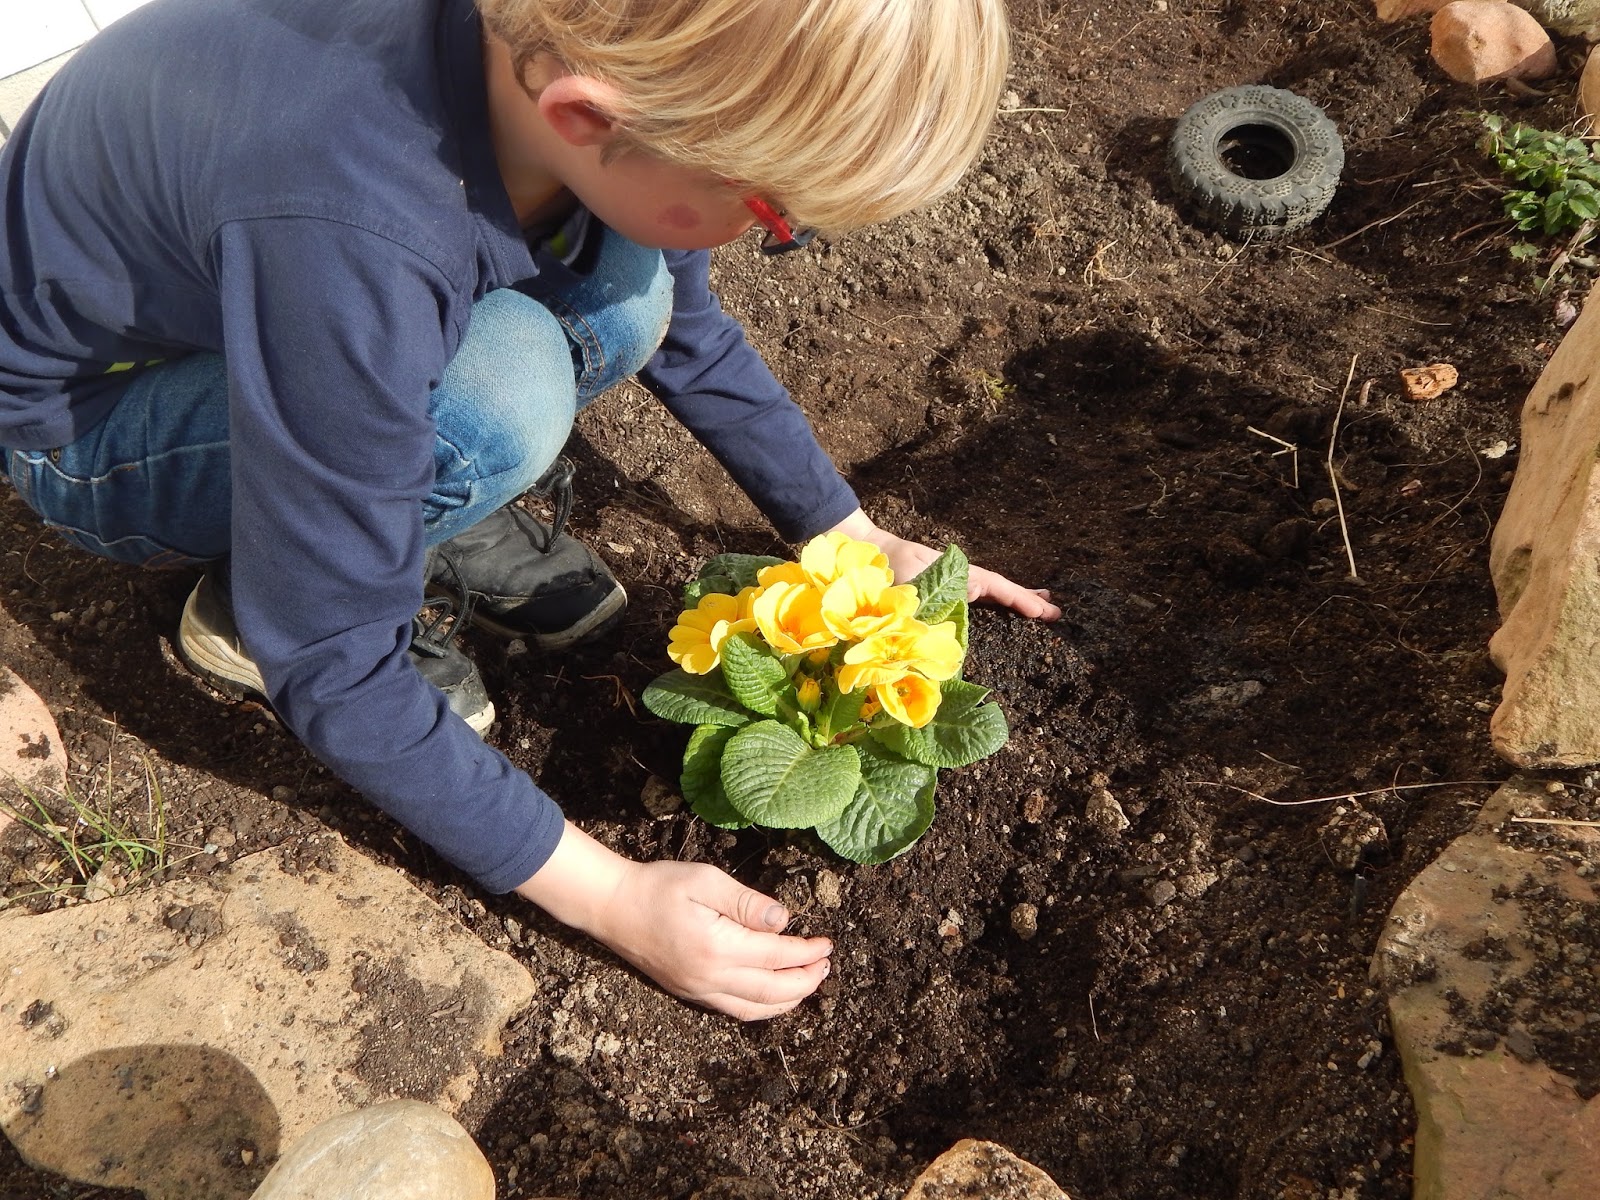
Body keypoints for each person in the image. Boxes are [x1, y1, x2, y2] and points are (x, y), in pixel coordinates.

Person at [0, 0, 1059, 1020]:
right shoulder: (351, 221)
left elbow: (679, 317)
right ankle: (252, 599)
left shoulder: (562, 65)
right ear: (585, 120)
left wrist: (844, 531)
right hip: (95, 430)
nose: (766, 237)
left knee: (627, 290)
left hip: (266, 305)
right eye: (775, 214)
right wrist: (614, 897)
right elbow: (330, 660)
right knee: (499, 395)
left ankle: (398, 496)